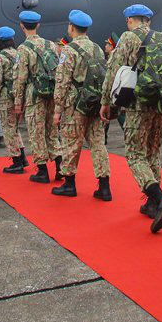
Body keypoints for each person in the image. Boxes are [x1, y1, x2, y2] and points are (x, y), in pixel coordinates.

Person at [100, 4, 162, 231]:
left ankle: (158, 196)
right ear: (148, 21)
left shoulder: (128, 38)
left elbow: (114, 69)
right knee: (153, 151)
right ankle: (153, 205)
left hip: (137, 104)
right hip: (160, 103)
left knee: (134, 154)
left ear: (129, 20)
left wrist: (106, 101)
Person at [52, 10, 112, 200]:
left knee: (71, 143)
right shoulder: (97, 48)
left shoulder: (69, 50)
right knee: (98, 144)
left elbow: (62, 81)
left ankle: (69, 184)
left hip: (75, 105)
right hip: (94, 103)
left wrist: (57, 110)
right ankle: (104, 187)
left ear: (71, 27)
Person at [13, 11, 63, 183]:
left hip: (35, 95)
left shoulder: (23, 48)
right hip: (51, 94)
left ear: (22, 26)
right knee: (52, 132)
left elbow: (20, 78)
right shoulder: (51, 45)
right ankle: (59, 167)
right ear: (38, 25)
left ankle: (42, 171)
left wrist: (18, 103)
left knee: (36, 132)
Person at [0, 26, 27, 174]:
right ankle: (23, 157)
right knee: (15, 128)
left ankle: (16, 162)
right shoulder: (19, 54)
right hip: (19, 96)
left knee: (8, 129)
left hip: (6, 97)